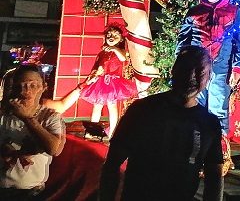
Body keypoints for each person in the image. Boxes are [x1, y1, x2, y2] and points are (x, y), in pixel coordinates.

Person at [99, 46, 224, 201]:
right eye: (186, 69)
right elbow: (112, 164)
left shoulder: (209, 124)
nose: (192, 76)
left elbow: (215, 177)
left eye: (200, 71)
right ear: (174, 70)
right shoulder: (142, 111)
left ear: (209, 77)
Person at [178, 0, 240, 170]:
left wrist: (237, 69)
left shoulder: (234, 13)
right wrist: (181, 66)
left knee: (218, 110)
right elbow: (183, 42)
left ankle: (219, 157)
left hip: (221, 69)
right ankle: (193, 153)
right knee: (194, 107)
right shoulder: (194, 13)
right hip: (195, 69)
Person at [0, 65, 65, 199]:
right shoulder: (3, 115)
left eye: (33, 85)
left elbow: (53, 149)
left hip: (30, 192)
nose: (26, 91)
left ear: (43, 87)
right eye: (20, 86)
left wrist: (27, 118)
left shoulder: (50, 117)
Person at [78, 24, 138, 138]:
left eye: (115, 35)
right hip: (100, 82)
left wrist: (115, 49)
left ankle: (112, 133)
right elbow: (96, 66)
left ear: (120, 39)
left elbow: (123, 58)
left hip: (113, 83)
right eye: (109, 34)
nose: (111, 36)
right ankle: (92, 130)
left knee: (112, 106)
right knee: (97, 106)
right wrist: (95, 73)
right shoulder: (102, 52)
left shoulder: (121, 51)